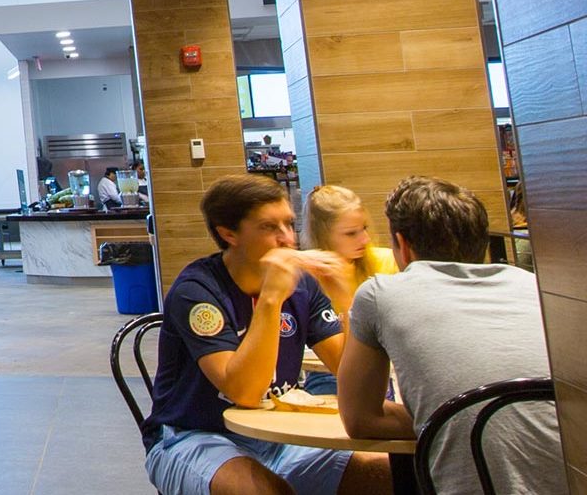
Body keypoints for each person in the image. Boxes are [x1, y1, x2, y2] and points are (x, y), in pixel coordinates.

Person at [144, 174, 391, 495]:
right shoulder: (197, 290)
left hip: (278, 436)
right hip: (193, 436)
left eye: (289, 224)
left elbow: (351, 375)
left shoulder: (302, 284)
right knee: (264, 491)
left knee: (385, 472)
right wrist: (271, 298)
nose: (287, 239)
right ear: (228, 233)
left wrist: (345, 299)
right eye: (269, 228)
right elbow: (244, 393)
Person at [337, 177, 562, 494]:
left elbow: (360, 419)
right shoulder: (535, 285)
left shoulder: (379, 293)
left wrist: (445, 415)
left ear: (402, 244)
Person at [303, 185, 399, 321]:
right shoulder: (307, 278)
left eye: (364, 228)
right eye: (351, 233)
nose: (366, 239)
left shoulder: (389, 261)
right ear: (322, 235)